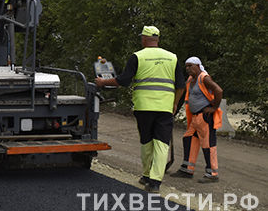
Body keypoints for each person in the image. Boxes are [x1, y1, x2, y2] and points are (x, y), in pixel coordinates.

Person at [95, 25, 185, 193]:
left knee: (146, 141)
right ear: (157, 39)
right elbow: (181, 85)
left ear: (144, 39)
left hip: (144, 106)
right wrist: (174, 103)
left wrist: (102, 82)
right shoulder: (172, 58)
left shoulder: (137, 56)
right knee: (162, 144)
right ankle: (155, 182)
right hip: (165, 107)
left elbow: (123, 81)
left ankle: (146, 175)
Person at [171, 57, 223, 183]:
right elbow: (186, 95)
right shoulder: (191, 79)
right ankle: (187, 169)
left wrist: (214, 108)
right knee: (189, 139)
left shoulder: (204, 78)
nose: (188, 69)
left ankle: (212, 173)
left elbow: (219, 90)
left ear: (198, 66)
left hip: (205, 117)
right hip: (195, 118)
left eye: (190, 66)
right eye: (186, 66)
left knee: (208, 144)